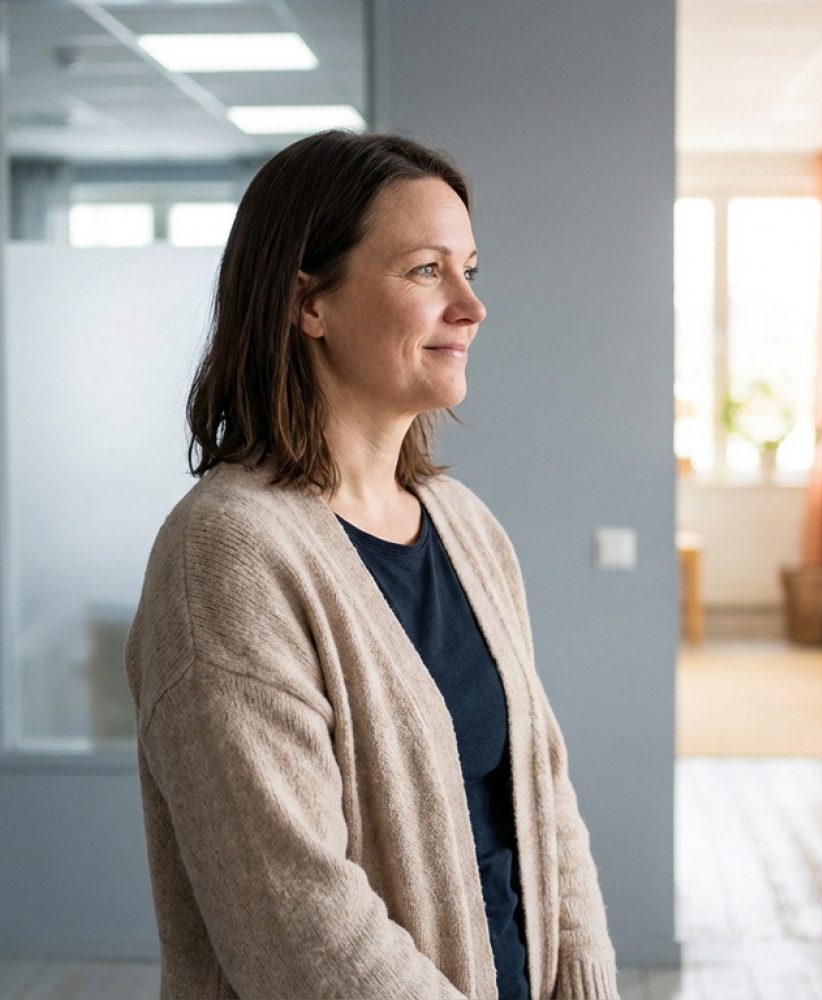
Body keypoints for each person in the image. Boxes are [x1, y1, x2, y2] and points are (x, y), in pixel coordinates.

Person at [125, 130, 619, 1000]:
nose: (471, 306)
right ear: (307, 301)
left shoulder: (467, 526)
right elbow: (295, 919)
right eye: (427, 270)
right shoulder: (226, 558)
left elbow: (545, 804)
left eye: (471, 268)